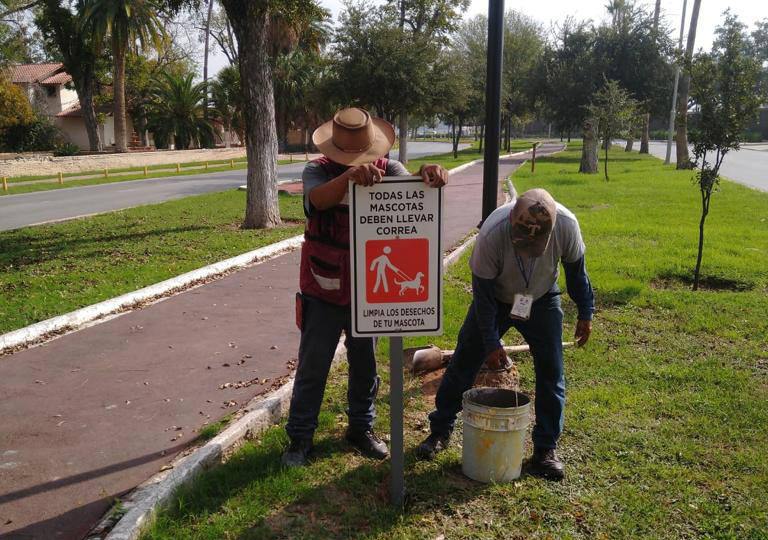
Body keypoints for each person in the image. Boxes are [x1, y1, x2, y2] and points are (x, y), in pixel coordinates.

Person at [283, 107, 448, 467]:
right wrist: (349, 178)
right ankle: (299, 438)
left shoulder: (388, 169)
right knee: (313, 365)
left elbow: (415, 189)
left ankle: (361, 427)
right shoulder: (317, 171)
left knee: (365, 365)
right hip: (322, 288)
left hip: (370, 293)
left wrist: (430, 174)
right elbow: (318, 200)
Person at [415, 188, 594, 480]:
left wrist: (586, 311)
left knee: (551, 373)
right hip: (495, 299)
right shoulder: (492, 233)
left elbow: (576, 274)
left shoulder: (566, 225)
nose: (527, 247)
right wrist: (490, 341)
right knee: (463, 364)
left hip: (541, 299)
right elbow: (482, 296)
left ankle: (545, 450)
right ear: (512, 218)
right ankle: (440, 430)